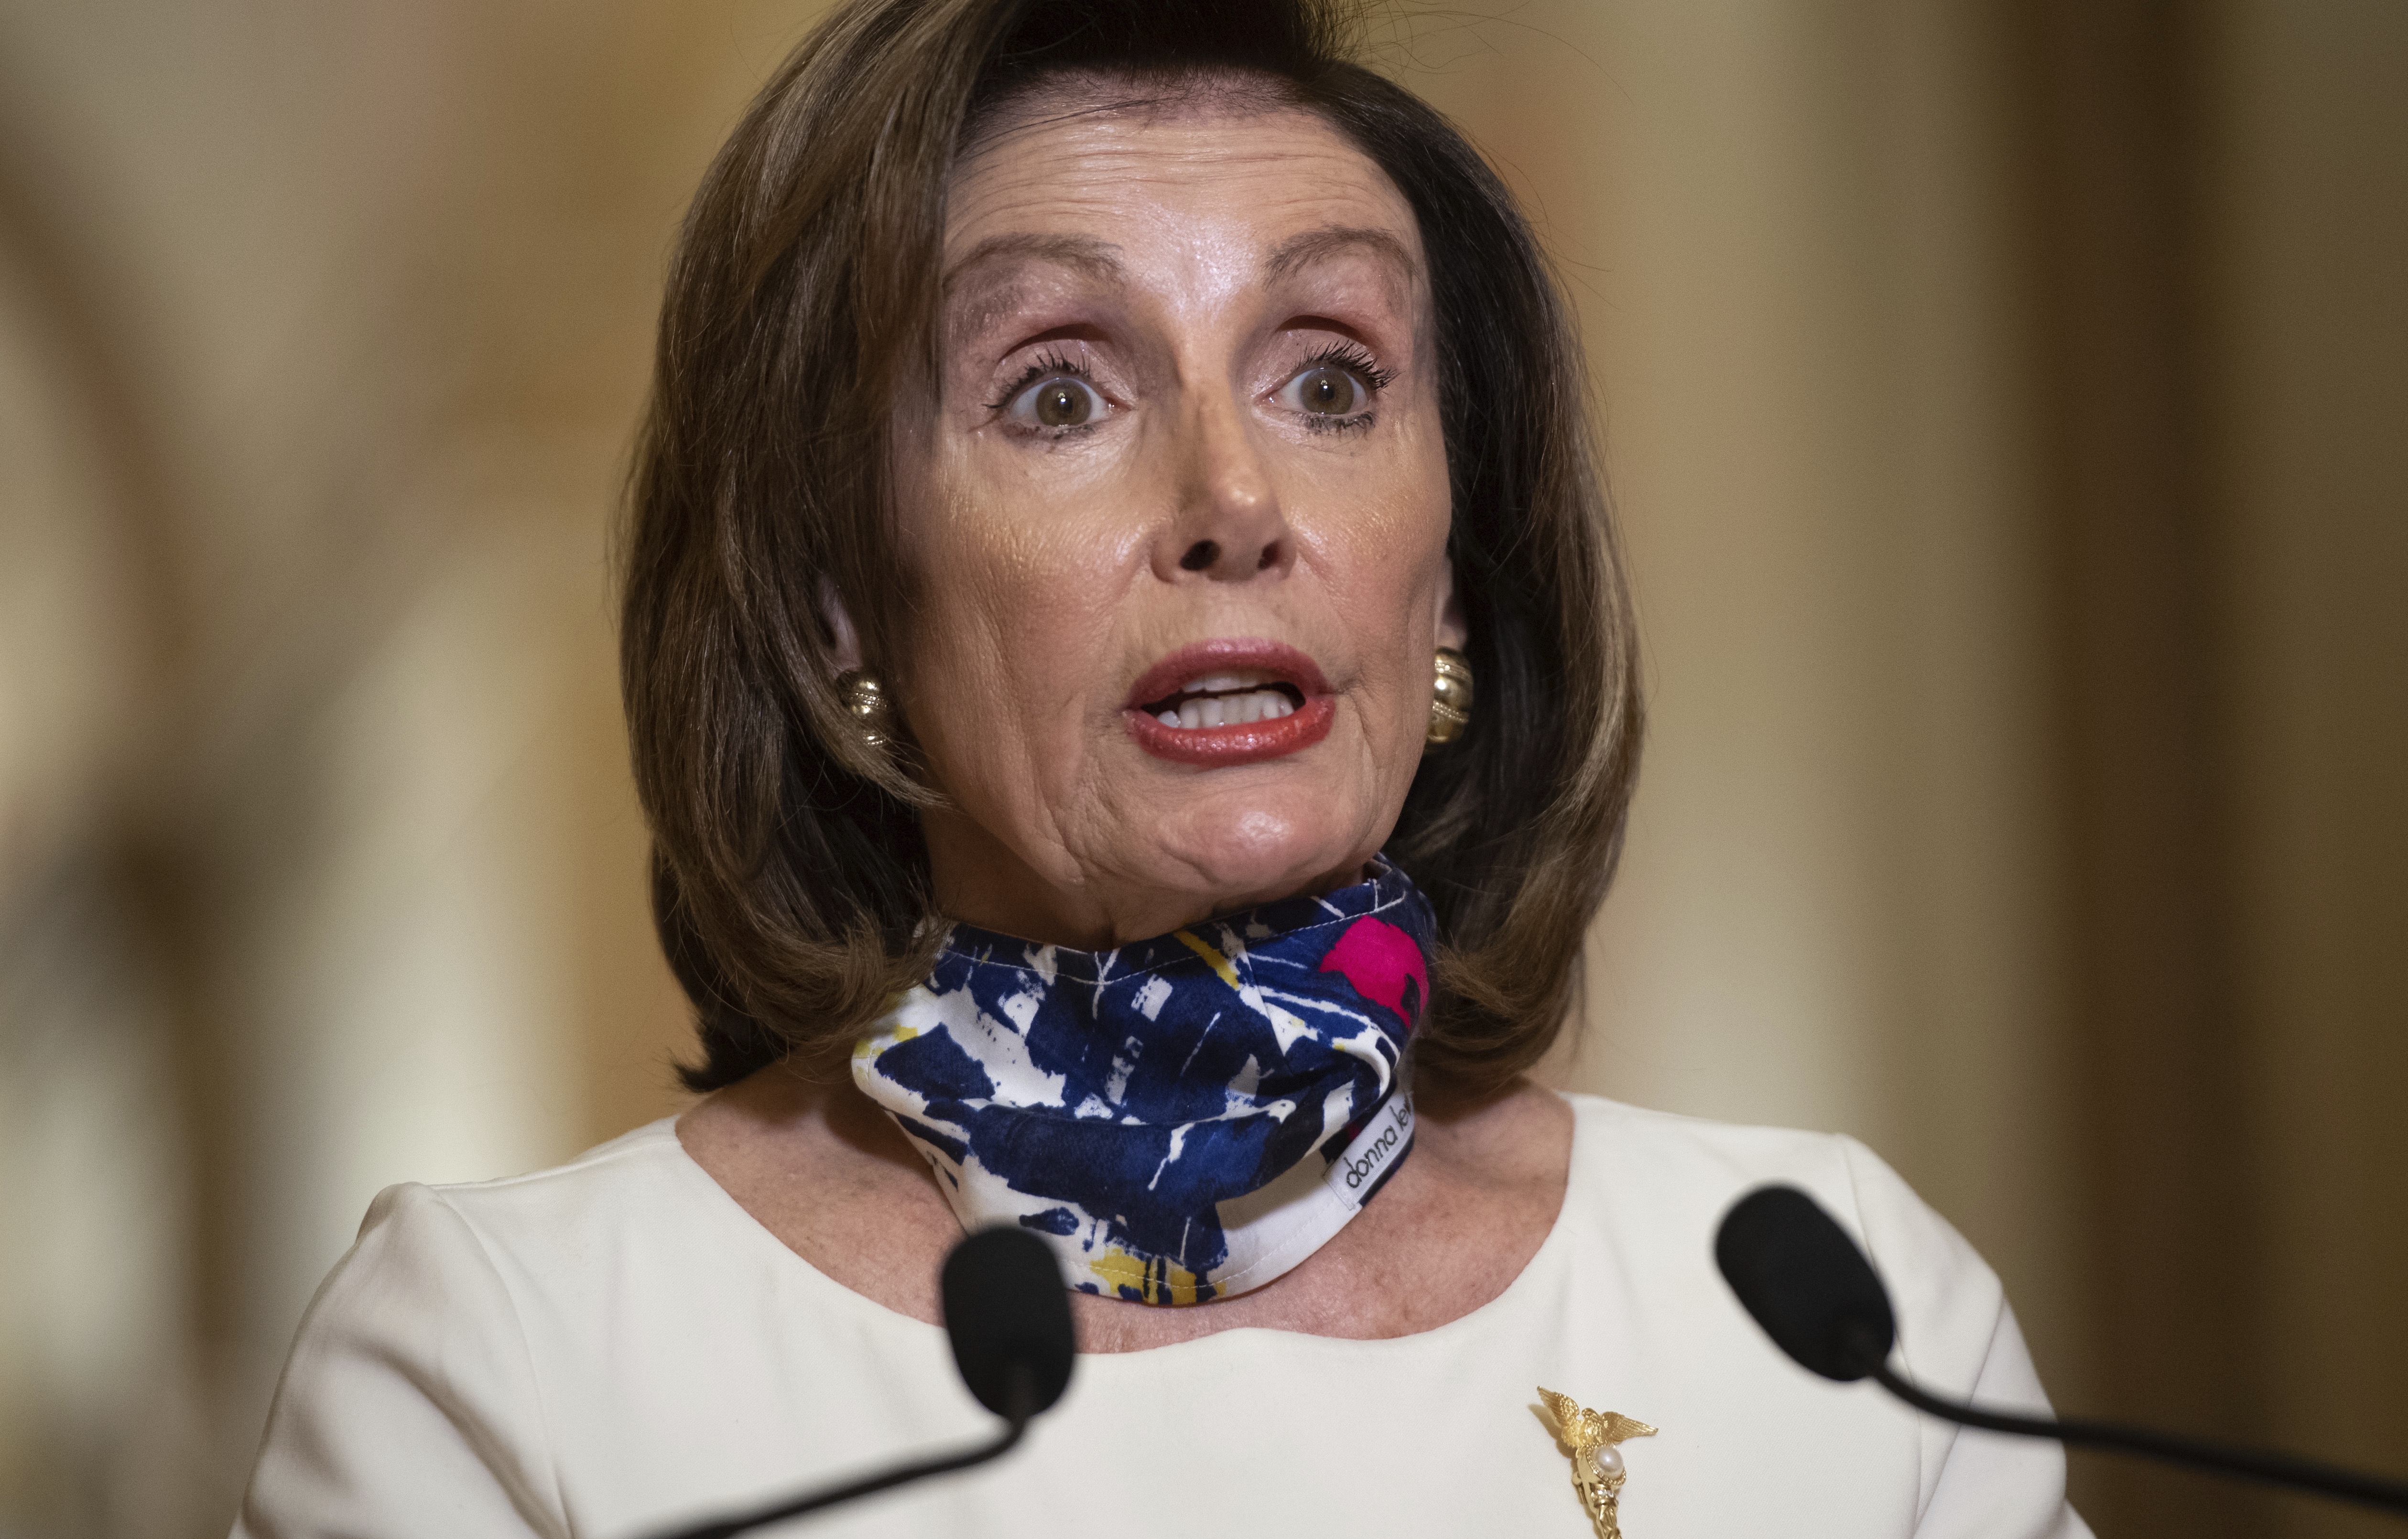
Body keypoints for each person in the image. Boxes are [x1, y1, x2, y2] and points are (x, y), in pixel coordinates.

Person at [233, 1, 2089, 1534]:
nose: (1235, 501)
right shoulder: (515, 1363)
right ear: (832, 607)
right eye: (1058, 390)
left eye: (1331, 378)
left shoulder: (1826, 1317)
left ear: (1452, 567)